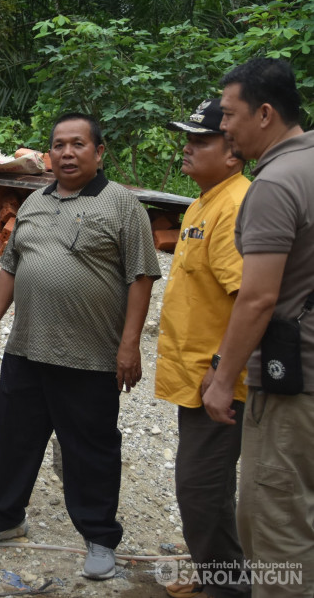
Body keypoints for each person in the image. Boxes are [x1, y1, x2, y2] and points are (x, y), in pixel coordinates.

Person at [0, 113, 160, 580]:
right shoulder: (34, 201)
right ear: (48, 154)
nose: (67, 153)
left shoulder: (122, 206)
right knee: (13, 439)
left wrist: (129, 345)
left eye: (77, 144)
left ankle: (98, 536)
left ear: (99, 152)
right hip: (27, 348)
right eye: (58, 145)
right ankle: (4, 518)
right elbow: (10, 267)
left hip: (90, 354)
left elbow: (142, 276)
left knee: (90, 448)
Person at [203, 58, 314, 598]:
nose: (223, 126)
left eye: (229, 114)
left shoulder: (275, 183)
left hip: (294, 387)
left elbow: (258, 296)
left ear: (264, 113)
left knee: (278, 533)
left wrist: (224, 377)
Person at [154, 99, 250, 598]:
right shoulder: (203, 202)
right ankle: (218, 574)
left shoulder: (234, 207)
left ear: (233, 152)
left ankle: (227, 588)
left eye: (200, 140)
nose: (187, 148)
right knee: (206, 489)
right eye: (186, 138)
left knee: (201, 489)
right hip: (199, 380)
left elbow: (249, 300)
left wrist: (220, 372)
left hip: (220, 383)